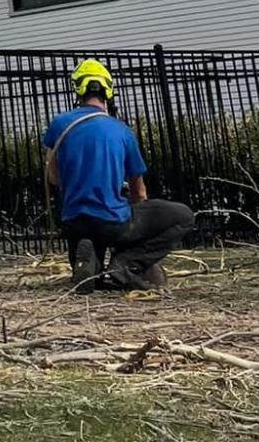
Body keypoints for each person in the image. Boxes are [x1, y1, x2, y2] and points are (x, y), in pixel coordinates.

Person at [43, 58, 195, 291]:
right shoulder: (122, 131)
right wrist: (135, 233)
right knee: (183, 215)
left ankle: (88, 266)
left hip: (73, 221)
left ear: (77, 89)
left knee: (90, 255)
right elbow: (139, 191)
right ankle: (126, 264)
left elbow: (53, 177)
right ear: (108, 90)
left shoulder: (59, 124)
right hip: (111, 222)